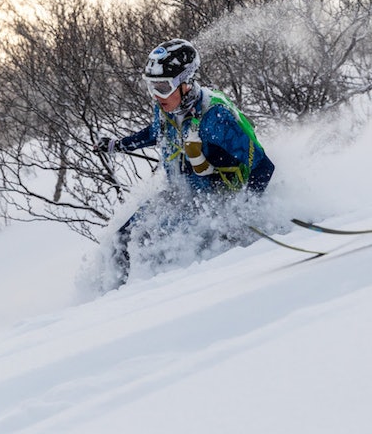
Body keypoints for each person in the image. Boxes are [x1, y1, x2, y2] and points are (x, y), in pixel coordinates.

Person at [93, 38, 274, 283]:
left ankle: (163, 293)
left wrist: (243, 213)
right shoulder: (166, 108)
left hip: (212, 206)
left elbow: (263, 167)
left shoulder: (215, 118)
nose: (156, 96)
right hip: (179, 196)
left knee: (158, 254)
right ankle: (113, 297)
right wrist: (118, 145)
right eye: (151, 87)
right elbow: (155, 133)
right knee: (121, 241)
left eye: (163, 87)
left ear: (186, 83)